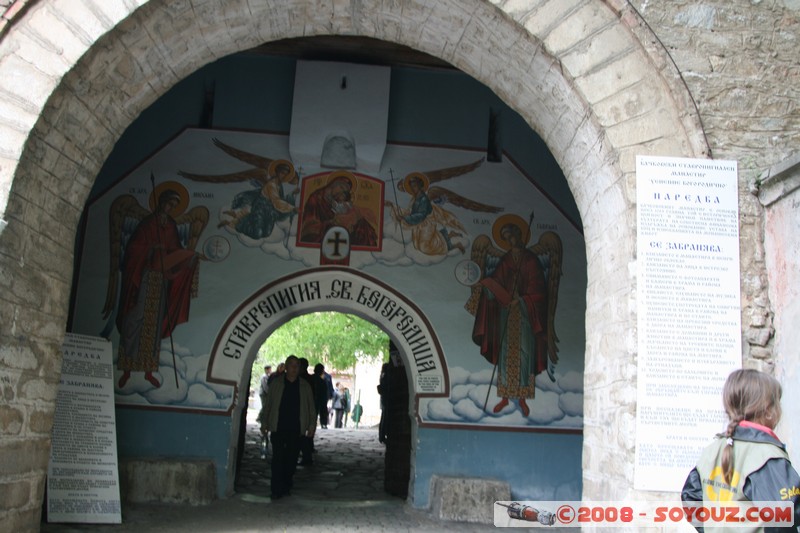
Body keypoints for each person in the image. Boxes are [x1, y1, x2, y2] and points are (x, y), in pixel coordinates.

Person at [681, 369, 800, 531]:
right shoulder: (766, 456)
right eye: (778, 403)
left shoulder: (713, 450)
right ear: (769, 411)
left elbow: (690, 498)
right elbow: (786, 513)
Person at [116, 189, 200, 389]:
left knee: (153, 324)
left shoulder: (170, 225)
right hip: (144, 277)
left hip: (162, 281)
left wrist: (186, 258)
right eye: (167, 204)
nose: (169, 209)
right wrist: (152, 249)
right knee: (135, 317)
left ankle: (148, 371)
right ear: (160, 203)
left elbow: (175, 249)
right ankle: (126, 369)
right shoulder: (147, 224)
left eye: (173, 206)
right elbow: (133, 249)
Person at [470, 219, 548, 418]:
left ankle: (522, 399)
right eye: (506, 238)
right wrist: (488, 287)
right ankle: (504, 397)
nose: (510, 240)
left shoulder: (531, 260)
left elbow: (539, 290)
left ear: (519, 235)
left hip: (525, 317)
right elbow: (497, 281)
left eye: (512, 235)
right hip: (506, 314)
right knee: (505, 357)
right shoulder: (506, 260)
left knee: (524, 356)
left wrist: (522, 300)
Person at [260, 355, 316, 499]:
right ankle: (276, 489)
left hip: (296, 429)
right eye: (291, 365)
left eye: (296, 365)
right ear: (286, 366)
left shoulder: (304, 386)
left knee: (291, 460)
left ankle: (286, 484)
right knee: (278, 459)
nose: (294, 368)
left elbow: (311, 408)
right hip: (278, 427)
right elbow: (268, 405)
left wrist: (311, 425)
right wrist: (264, 423)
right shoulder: (276, 384)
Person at [385, 172, 466, 255]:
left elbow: (421, 215)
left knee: (425, 247)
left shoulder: (424, 199)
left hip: (427, 223)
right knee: (418, 246)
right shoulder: (415, 198)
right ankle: (450, 235)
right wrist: (392, 205)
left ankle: (456, 245)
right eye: (412, 187)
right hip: (420, 223)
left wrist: (404, 218)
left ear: (420, 186)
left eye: (415, 186)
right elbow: (410, 212)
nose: (413, 189)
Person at [300, 173, 378, 246]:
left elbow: (347, 212)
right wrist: (331, 223)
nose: (342, 192)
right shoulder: (316, 198)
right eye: (341, 187)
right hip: (321, 233)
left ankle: (366, 251)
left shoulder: (338, 201)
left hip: (340, 230)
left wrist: (350, 221)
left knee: (362, 223)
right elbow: (308, 227)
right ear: (333, 184)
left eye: (345, 192)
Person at [297, 358, 315, 465]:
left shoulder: (303, 380)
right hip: (306, 411)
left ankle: (306, 457)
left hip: (303, 411)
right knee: (303, 436)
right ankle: (306, 456)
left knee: (302, 436)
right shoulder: (309, 379)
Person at [312, 364, 330, 429]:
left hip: (313, 399)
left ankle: (313, 423)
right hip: (320, 399)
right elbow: (325, 392)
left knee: (313, 412)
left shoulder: (311, 378)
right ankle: (323, 424)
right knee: (322, 411)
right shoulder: (322, 381)